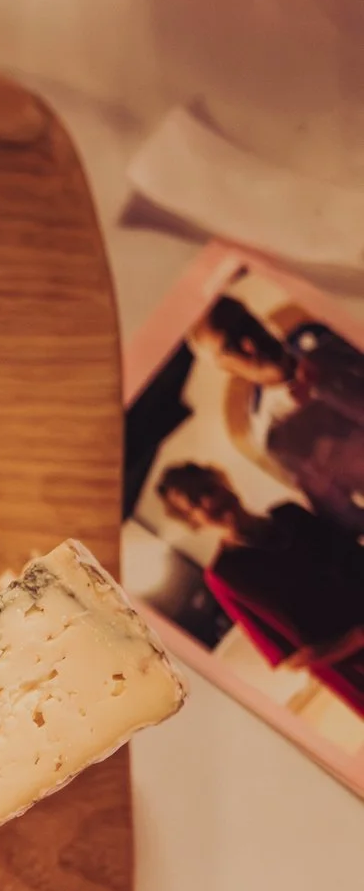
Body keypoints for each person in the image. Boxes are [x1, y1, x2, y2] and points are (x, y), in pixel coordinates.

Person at [157, 461, 364, 713]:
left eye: (208, 489)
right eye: (195, 503)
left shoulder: (290, 515)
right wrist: (355, 638)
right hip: (356, 665)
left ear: (223, 480)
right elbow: (289, 658)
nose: (209, 502)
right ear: (192, 521)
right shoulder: (225, 576)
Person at [191, 293, 364, 535]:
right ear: (223, 367)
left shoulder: (330, 341)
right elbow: (347, 519)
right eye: (231, 346)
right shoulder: (277, 436)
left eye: (246, 324)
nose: (250, 344)